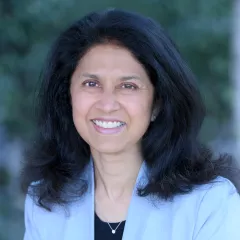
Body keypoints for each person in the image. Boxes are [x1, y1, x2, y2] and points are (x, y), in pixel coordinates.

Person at [22, 8, 240, 240]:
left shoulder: (210, 203)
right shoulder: (44, 203)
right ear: (68, 96)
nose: (107, 105)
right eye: (91, 83)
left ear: (157, 103)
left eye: (128, 86)